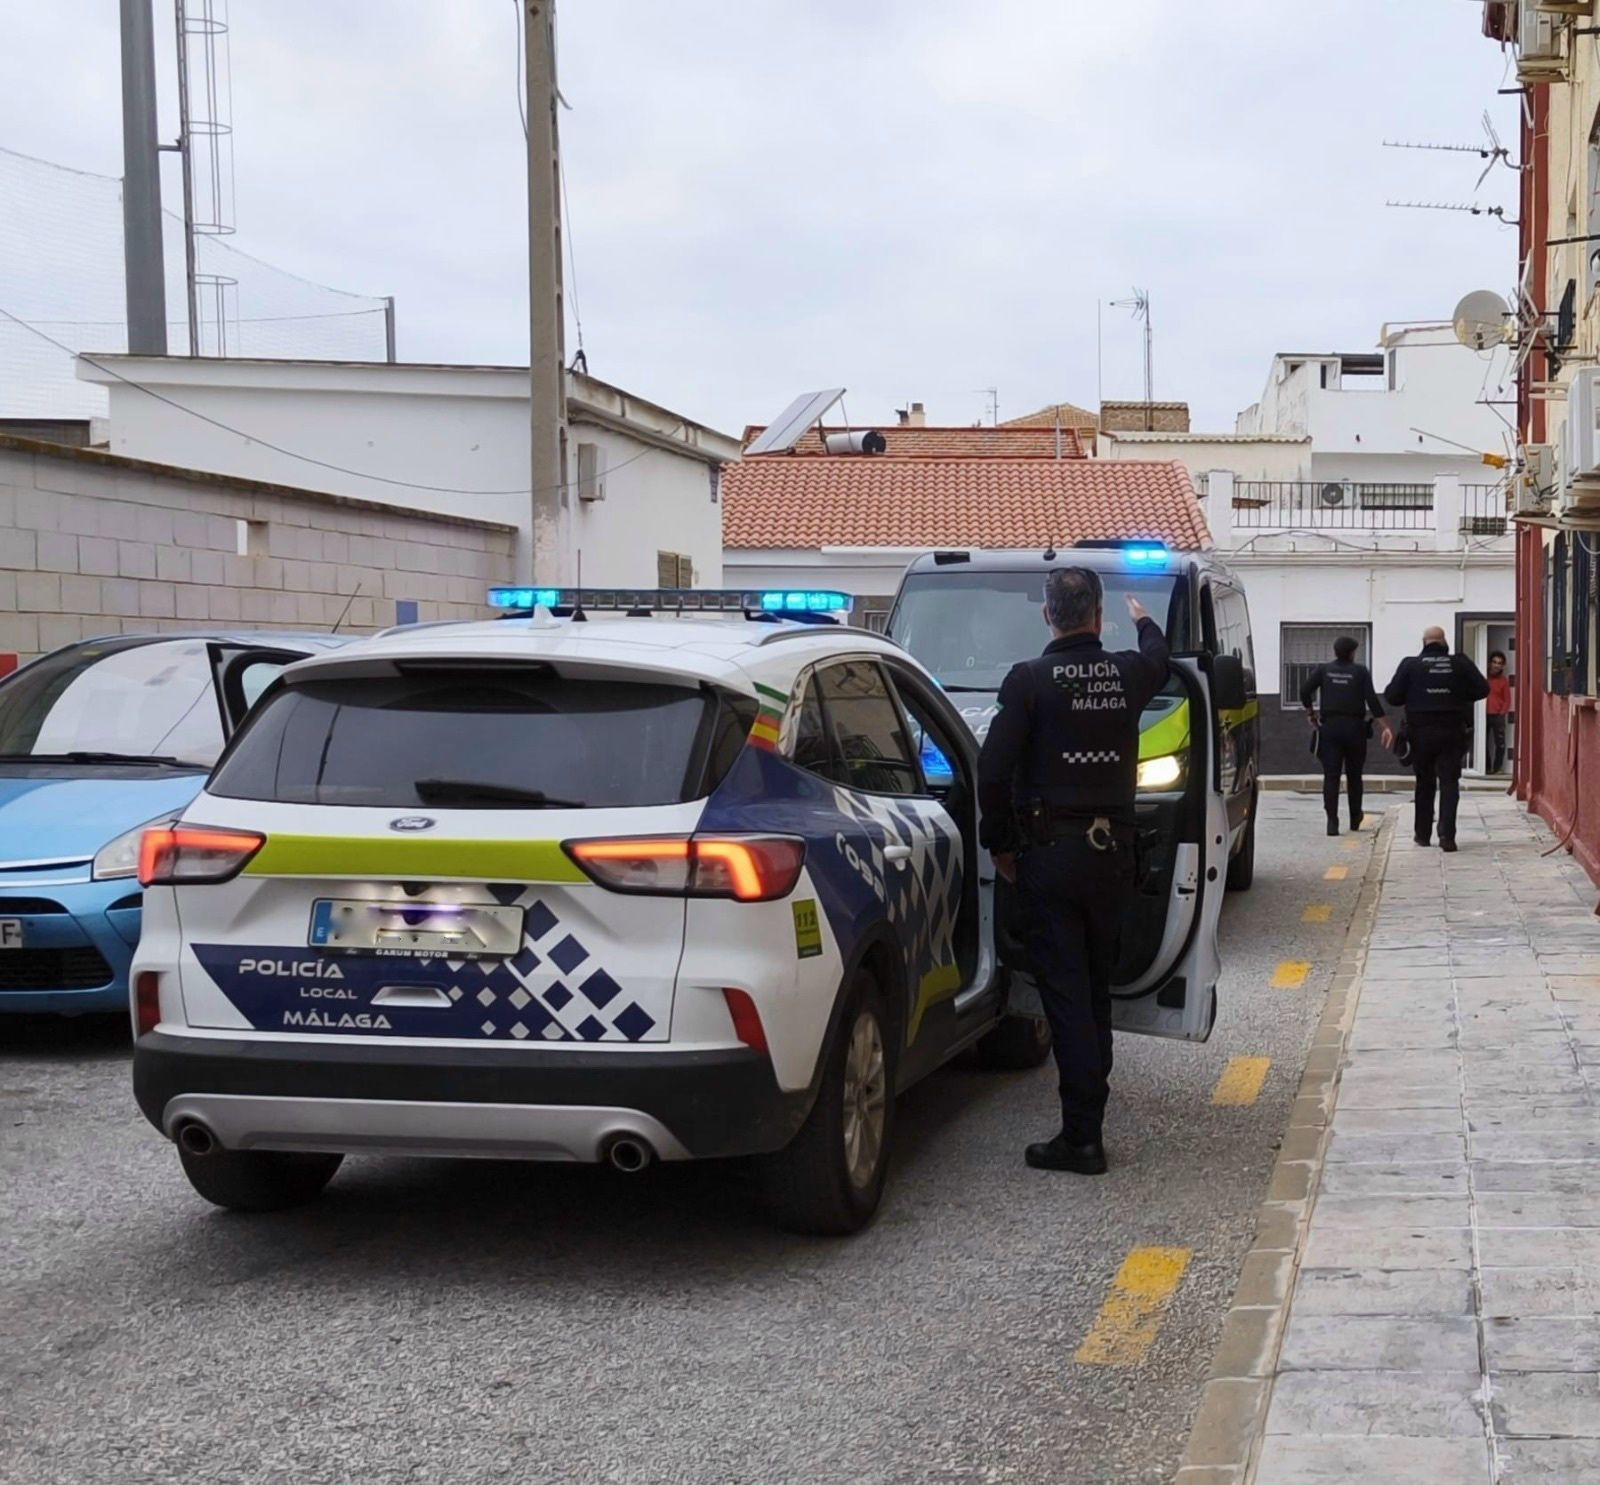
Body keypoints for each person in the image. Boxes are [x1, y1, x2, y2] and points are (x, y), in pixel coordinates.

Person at [977, 567, 1169, 1175]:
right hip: (1115, 858)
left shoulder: (1029, 680)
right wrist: (1143, 621)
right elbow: (1160, 656)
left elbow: (990, 773)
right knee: (1096, 991)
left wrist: (1001, 845)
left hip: (1051, 857)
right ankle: (1089, 1119)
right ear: (1098, 614)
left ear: (1047, 616)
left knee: (1066, 997)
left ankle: (1081, 1136)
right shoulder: (1127, 670)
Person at [1384, 626, 1490, 853]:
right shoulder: (1460, 663)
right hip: (1452, 732)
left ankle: (1422, 834)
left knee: (1424, 782)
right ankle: (1447, 837)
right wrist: (1459, 695)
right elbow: (1482, 689)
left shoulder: (1410, 665)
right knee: (1450, 783)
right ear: (1444, 642)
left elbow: (1392, 696)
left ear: (1424, 643)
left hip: (1419, 732)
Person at [1299, 635, 1394, 837]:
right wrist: (1385, 726)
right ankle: (1354, 818)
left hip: (1330, 728)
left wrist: (1310, 713)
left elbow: (1304, 690)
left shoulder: (1324, 670)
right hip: (1355, 729)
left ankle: (1332, 822)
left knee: (1331, 776)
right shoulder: (1360, 672)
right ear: (1352, 653)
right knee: (1354, 776)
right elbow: (1372, 700)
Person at [1486, 650, 1511, 775]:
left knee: (1500, 743)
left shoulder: (1503, 681)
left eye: (1499, 663)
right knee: (1482, 742)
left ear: (1502, 666)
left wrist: (1502, 713)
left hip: (1498, 715)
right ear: (1490, 663)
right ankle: (1486, 767)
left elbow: (1507, 700)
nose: (1496, 665)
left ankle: (1497, 768)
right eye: (1494, 662)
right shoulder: (1484, 678)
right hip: (1484, 715)